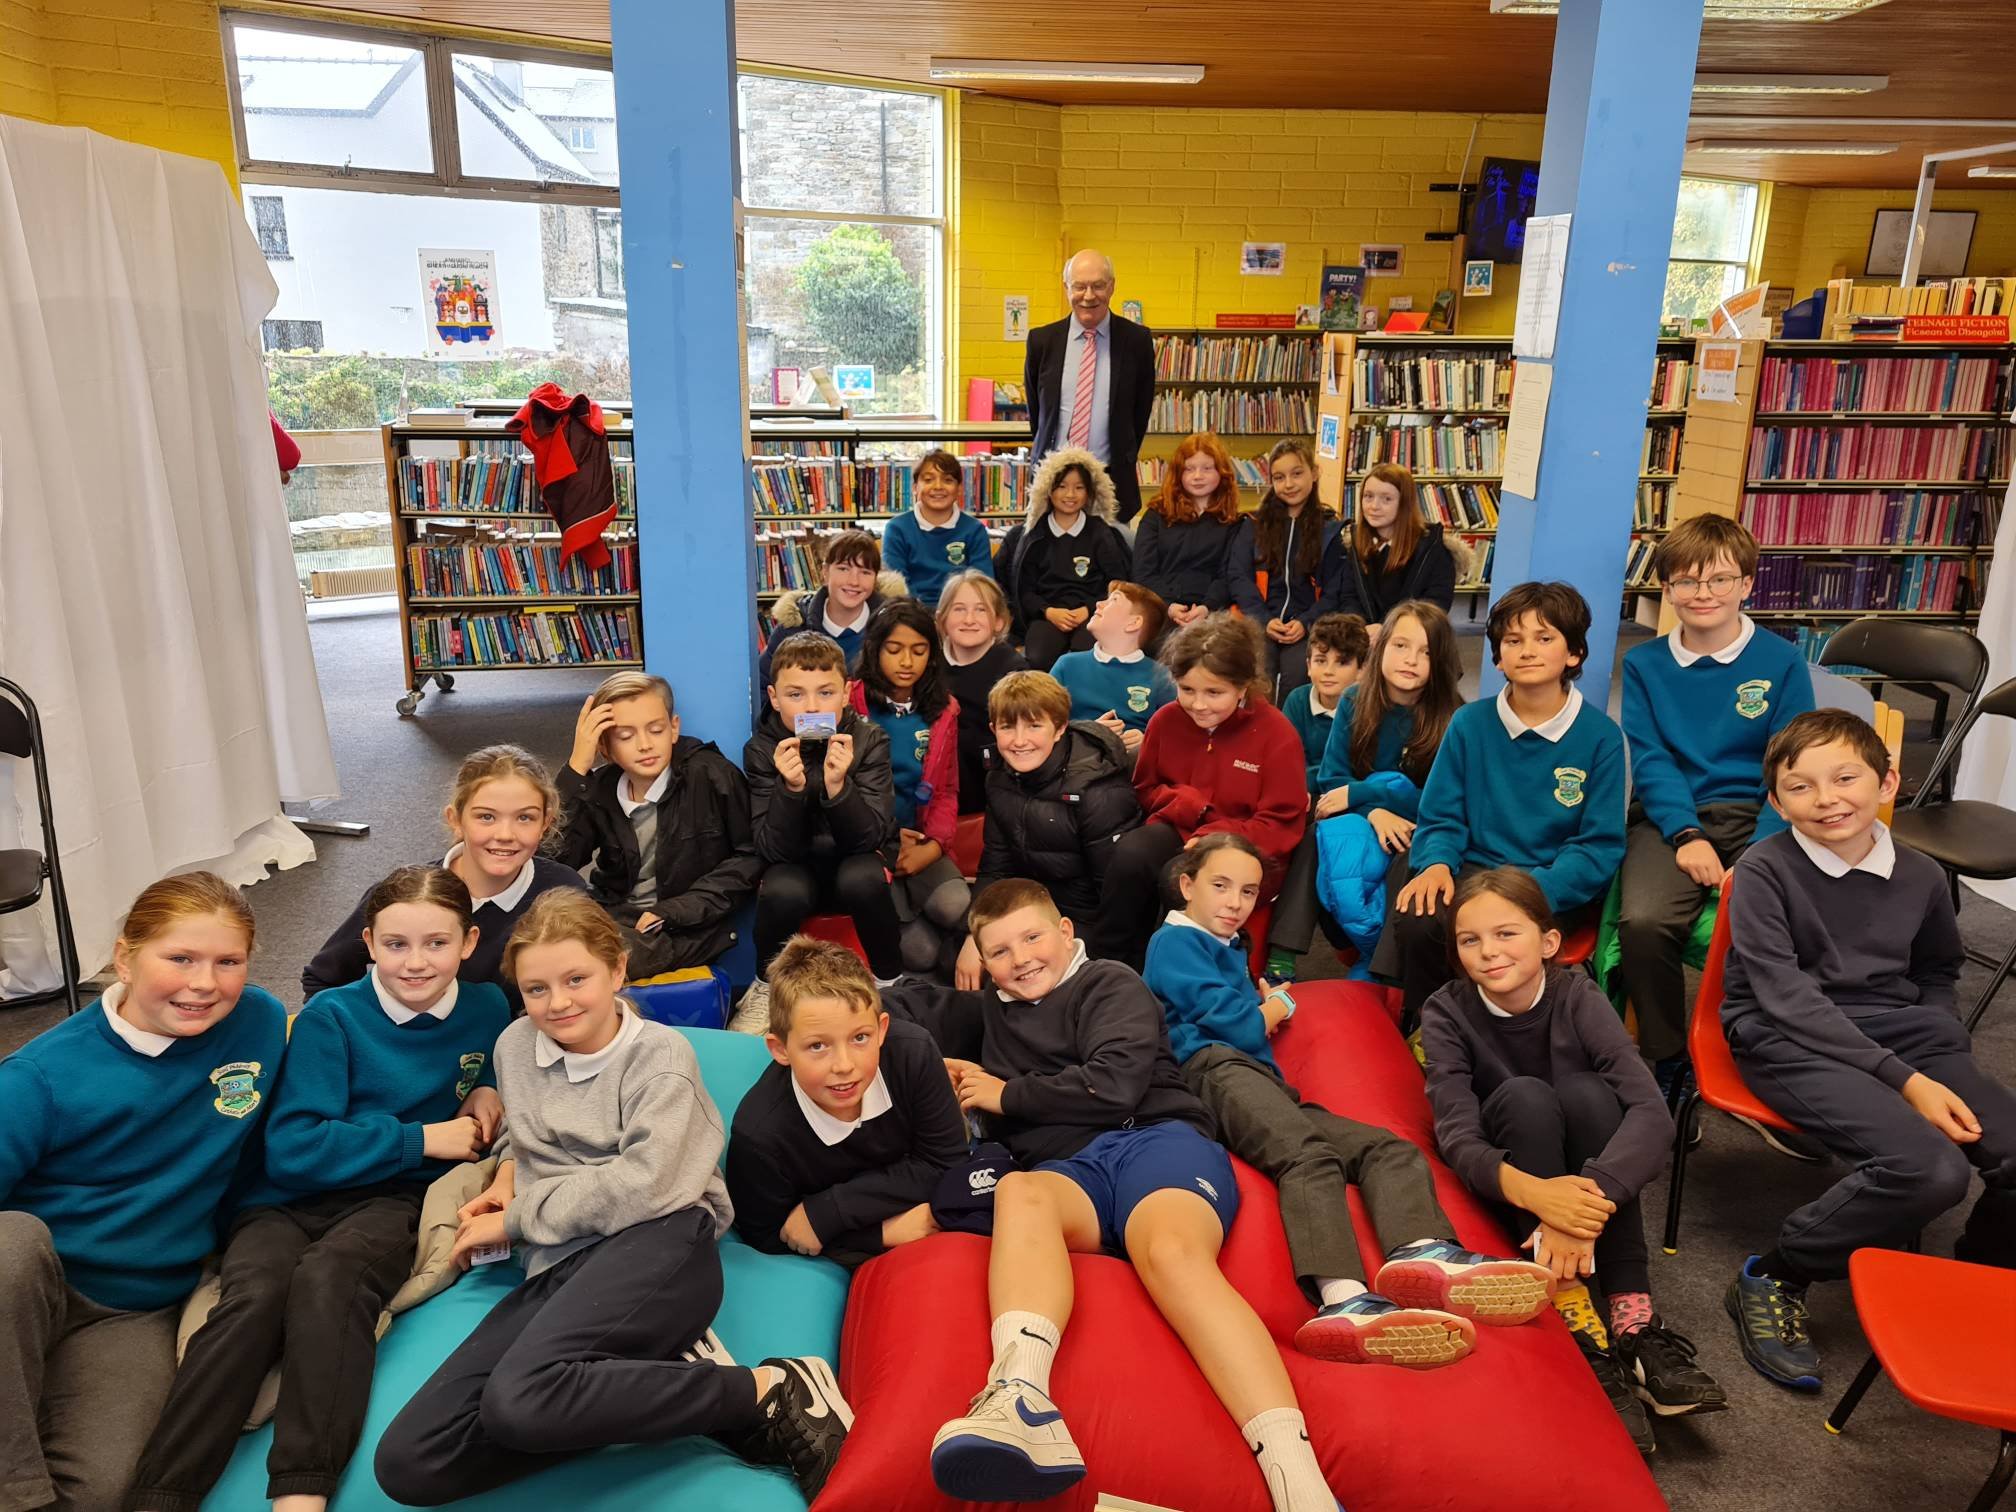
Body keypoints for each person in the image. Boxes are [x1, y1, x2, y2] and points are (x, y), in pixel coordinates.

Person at [372, 891, 852, 1505]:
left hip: (661, 1240)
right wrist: (506, 1180)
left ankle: (763, 1392)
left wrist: (517, 1219)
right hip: (562, 1260)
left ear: (618, 971)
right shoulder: (515, 1045)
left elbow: (647, 1184)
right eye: (537, 988)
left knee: (520, 1402)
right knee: (411, 1463)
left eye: (577, 979)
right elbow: (530, 1136)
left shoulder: (661, 1057)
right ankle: (656, 1384)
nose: (558, 1003)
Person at [921, 880, 1339, 1512]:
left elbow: (1113, 1086)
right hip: (1070, 1173)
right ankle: (1021, 1401)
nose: (1021, 958)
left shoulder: (1111, 982)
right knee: (1020, 1192)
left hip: (1152, 1139)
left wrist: (1005, 1094)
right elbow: (889, 1012)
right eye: (1000, 950)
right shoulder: (987, 1012)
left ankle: (1300, 1482)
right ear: (980, 961)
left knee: (1171, 1254)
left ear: (1066, 932)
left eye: (1033, 937)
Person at [125, 867, 511, 1512]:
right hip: (286, 1196)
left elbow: (496, 1059)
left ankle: (301, 1491)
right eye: (395, 944)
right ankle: (160, 1494)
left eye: (436, 944)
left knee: (333, 1277)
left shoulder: (488, 1008)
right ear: (366, 941)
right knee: (254, 1297)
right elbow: (297, 1147)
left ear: (469, 943)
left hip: (391, 1200)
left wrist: (490, 1083)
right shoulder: (332, 1017)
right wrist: (424, 1139)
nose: (416, 963)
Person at [1146, 837, 1552, 1368]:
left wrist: (1263, 1004)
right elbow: (1240, 1027)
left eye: (1248, 892)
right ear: (1186, 885)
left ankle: (1421, 1251)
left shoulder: (1228, 945)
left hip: (1264, 1084)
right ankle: (1343, 1300)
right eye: (1220, 886)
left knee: (1388, 1148)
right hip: (1213, 1072)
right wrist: (1278, 1003)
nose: (1235, 902)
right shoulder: (1175, 943)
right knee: (1308, 1156)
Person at [1721, 710, 2016, 1393]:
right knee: (1930, 1172)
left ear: (1889, 780)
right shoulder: (1765, 871)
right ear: (1775, 800)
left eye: (1846, 777)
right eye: (1800, 786)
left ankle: (1973, 1278)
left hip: (1904, 1036)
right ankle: (1777, 1272)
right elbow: (1783, 995)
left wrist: (1938, 1042)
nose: (1826, 799)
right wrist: (1906, 1081)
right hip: (1786, 1038)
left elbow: (1938, 969)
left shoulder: (1920, 874)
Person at [0, 875, 287, 1512]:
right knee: (7, 1244)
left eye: (227, 961)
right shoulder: (37, 1079)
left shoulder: (261, 1023)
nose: (204, 983)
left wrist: (484, 1086)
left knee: (108, 1490)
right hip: (35, 1280)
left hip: (132, 1309)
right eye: (179, 957)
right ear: (125, 958)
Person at [1421, 869, 1726, 1456]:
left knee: (1590, 1093)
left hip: (1579, 1193)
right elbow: (1457, 1134)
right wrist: (1538, 1197)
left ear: (1549, 942)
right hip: (1519, 1171)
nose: (1488, 952)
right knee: (1526, 1094)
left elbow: (1650, 1112)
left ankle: (1632, 1318)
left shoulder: (1577, 994)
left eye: (1507, 933)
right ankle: (1572, 1308)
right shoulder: (1446, 1012)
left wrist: (1577, 1203)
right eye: (1470, 940)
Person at [1617, 515, 1814, 1086]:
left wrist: (1754, 854)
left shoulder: (1780, 661)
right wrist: (1686, 835)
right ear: (1667, 590)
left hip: (1765, 815)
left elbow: (1792, 765)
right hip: (1671, 815)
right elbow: (1651, 760)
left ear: (1748, 584)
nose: (1703, 594)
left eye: (1720, 580)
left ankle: (1763, 1053)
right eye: (1686, 582)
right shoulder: (1645, 664)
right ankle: (1669, 1055)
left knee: (1785, 925)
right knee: (1645, 921)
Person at [1390, 582, 1625, 1018]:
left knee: (1507, 940)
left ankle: (1508, 1035)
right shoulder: (1468, 724)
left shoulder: (1601, 737)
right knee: (1420, 918)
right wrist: (1437, 862)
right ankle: (1425, 1028)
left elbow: (1599, 845)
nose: (1527, 650)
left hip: (1548, 884)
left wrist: (1535, 888)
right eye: (1513, 641)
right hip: (1472, 872)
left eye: (1545, 638)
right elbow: (1441, 814)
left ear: (1573, 653)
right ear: (1497, 658)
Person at [725, 936, 968, 1268]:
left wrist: (828, 1210)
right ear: (781, 1050)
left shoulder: (914, 1052)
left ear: (881, 1030)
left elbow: (947, 1162)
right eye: (817, 1046)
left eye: (860, 1038)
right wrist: (881, 1233)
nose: (843, 1065)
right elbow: (769, 1234)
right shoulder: (759, 1136)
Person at [302, 744, 587, 1009]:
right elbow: (323, 980)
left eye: (525, 818)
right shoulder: (404, 896)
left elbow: (588, 977)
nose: (505, 835)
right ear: (455, 820)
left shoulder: (564, 890)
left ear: (545, 823)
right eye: (486, 817)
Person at [1107, 614, 1307, 970]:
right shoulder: (1166, 720)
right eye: (1187, 689)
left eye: (1214, 692)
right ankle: (1114, 967)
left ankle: (1176, 977)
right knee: (1131, 855)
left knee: (1178, 880)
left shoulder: (1277, 733)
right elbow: (1145, 789)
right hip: (1181, 826)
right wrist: (1189, 806)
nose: (1199, 704)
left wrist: (1215, 835)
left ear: (1243, 686)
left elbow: (1281, 824)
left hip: (1247, 848)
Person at [741, 632, 906, 1017]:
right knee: (782, 888)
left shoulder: (869, 740)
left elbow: (872, 837)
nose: (811, 706)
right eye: (796, 695)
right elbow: (772, 849)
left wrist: (838, 787)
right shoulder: (763, 749)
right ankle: (766, 988)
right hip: (797, 864)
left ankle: (890, 982)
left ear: (847, 694)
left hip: (856, 858)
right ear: (774, 697)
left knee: (862, 876)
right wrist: (791, 789)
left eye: (826, 693)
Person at [556, 671, 760, 979]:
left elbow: (750, 857)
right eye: (626, 736)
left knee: (603, 960)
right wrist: (576, 770)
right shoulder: (597, 788)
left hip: (686, 926)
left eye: (656, 730)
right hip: (615, 917)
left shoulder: (712, 775)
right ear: (605, 747)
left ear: (674, 728)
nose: (644, 745)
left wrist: (674, 911)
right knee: (547, 944)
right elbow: (555, 862)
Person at [1304, 601, 1465, 974]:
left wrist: (1366, 795)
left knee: (1405, 850)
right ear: (1380, 649)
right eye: (1400, 646)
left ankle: (1379, 965)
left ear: (1440, 660)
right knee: (1317, 837)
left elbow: (1441, 800)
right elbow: (1332, 781)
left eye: (1426, 652)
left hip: (1417, 828)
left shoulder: (1455, 717)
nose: (1410, 660)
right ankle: (1285, 952)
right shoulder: (1354, 701)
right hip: (1367, 822)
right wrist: (1374, 811)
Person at [956, 670, 1144, 986]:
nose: (1019, 741)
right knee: (966, 962)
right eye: (1007, 727)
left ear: (1059, 728)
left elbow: (1116, 903)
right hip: (1034, 907)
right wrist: (976, 935)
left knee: (1012, 976)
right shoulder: (1000, 778)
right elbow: (996, 867)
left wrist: (1049, 946)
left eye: (1033, 725)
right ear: (993, 729)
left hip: (1088, 920)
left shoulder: (1097, 789)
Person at [848, 602, 971, 977]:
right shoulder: (849, 703)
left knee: (955, 904)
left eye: (919, 651)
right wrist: (886, 841)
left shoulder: (943, 710)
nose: (907, 662)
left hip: (920, 841)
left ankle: (965, 949)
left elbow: (947, 790)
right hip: (872, 845)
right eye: (894, 649)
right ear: (874, 650)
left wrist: (932, 846)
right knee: (919, 955)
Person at [1262, 611, 1369, 980]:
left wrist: (1320, 782)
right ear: (1307, 665)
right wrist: (1314, 783)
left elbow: (1361, 770)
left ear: (1361, 670)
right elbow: (1285, 761)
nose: (1328, 671)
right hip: (1306, 799)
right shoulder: (1297, 701)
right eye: (1320, 661)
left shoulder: (1366, 708)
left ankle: (1306, 946)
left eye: (1342, 663)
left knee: (1317, 843)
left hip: (1351, 804)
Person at [1024, 249, 1158, 525]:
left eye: (1098, 285)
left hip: (1111, 482)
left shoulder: (1137, 341)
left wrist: (1124, 455)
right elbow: (1037, 413)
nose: (1088, 296)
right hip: (1053, 481)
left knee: (1110, 562)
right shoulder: (1042, 341)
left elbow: (1140, 412)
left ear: (1112, 286)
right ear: (1066, 288)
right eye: (1079, 286)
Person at [995, 448, 1132, 671]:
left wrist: (1088, 610)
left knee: (1087, 656)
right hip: (1047, 615)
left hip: (1093, 614)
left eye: (1079, 488)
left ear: (1090, 493)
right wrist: (1048, 611)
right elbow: (1024, 590)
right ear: (1048, 490)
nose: (1070, 494)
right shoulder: (1033, 536)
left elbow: (1117, 583)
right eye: (1062, 486)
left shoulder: (1101, 534)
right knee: (1038, 657)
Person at [1244, 440, 1340, 701]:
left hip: (1308, 623)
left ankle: (1289, 737)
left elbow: (1335, 590)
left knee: (1298, 675)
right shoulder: (1253, 524)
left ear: (1315, 472)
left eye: (1297, 473)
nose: (1289, 484)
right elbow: (1238, 577)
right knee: (1256, 672)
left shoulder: (1331, 529)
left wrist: (1306, 622)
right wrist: (1264, 620)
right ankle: (1256, 737)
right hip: (1262, 620)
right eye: (1279, 477)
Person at [1132, 433, 1256, 636]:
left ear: (1221, 472)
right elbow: (1143, 572)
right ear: (1178, 473)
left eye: (1207, 468)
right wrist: (1170, 606)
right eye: (1189, 469)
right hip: (1161, 608)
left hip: (1213, 612)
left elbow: (1229, 575)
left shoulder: (1233, 521)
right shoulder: (1156, 514)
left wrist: (1206, 607)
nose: (1198, 476)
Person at [1048, 581, 1176, 756]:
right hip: (1076, 761)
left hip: (1133, 767)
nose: (1099, 604)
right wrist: (1088, 731)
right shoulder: (1067, 665)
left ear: (1133, 623)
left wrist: (1148, 740)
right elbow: (1042, 722)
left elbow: (1177, 733)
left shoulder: (1161, 676)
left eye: (1113, 600)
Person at [938, 571, 1029, 816]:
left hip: (991, 787)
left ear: (998, 621)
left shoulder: (1013, 669)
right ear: (942, 619)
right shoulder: (929, 664)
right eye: (958, 609)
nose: (969, 619)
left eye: (980, 610)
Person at [1323, 463, 1457, 622]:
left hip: (1410, 636)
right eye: (1368, 496)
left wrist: (1389, 630)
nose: (1374, 506)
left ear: (1404, 504)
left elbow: (1436, 603)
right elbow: (1349, 597)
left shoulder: (1432, 548)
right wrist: (1362, 627)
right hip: (1365, 636)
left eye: (1386, 499)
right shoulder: (1356, 544)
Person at [761, 528, 896, 680]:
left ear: (875, 578)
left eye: (865, 572)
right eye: (843, 569)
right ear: (825, 572)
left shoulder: (892, 628)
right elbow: (764, 686)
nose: (854, 581)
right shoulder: (792, 630)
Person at [878, 449, 995, 610]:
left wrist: (951, 614)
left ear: (959, 488)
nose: (938, 486)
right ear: (914, 487)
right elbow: (896, 585)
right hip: (910, 611)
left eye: (947, 480)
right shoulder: (897, 528)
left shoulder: (974, 530)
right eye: (928, 480)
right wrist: (921, 616)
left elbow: (982, 583)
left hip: (960, 611)